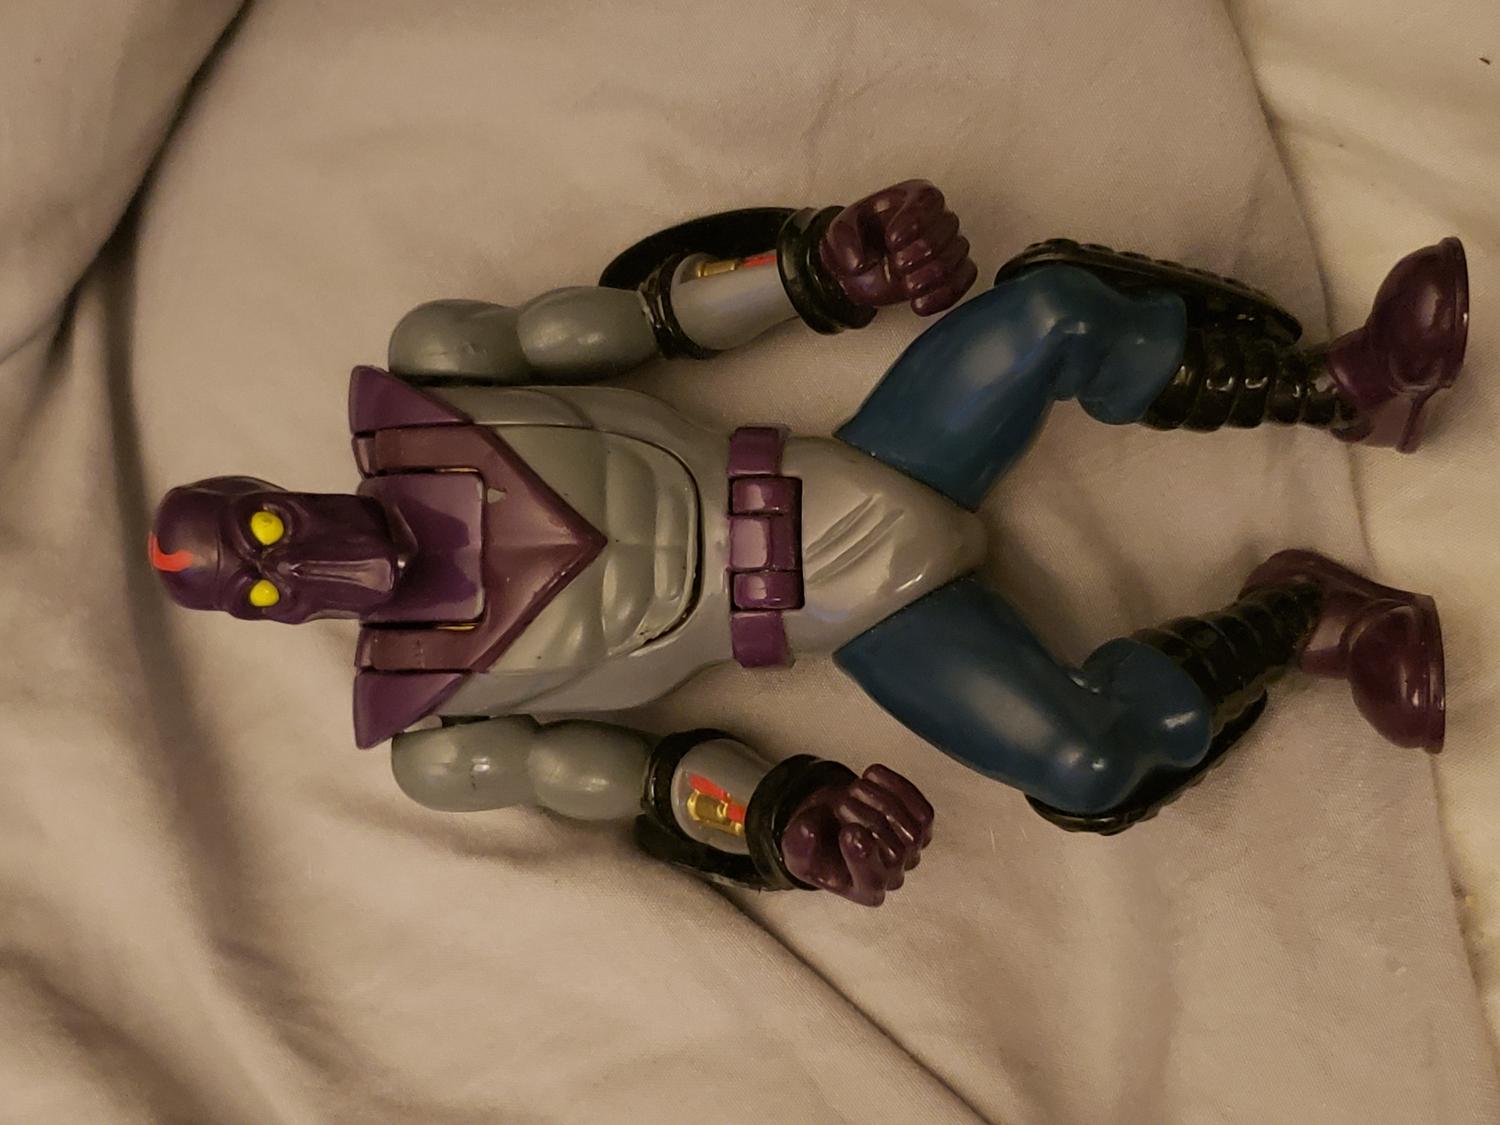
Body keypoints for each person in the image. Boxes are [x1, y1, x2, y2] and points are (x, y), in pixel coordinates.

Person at [150, 179, 1467, 903]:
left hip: (854, 459)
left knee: (1057, 313)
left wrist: (821, 270)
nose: (288, 560)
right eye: (259, 585)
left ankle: (1342, 385)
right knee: (1086, 758)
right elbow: (642, 783)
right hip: (850, 626)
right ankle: (1310, 621)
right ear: (272, 619)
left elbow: (640, 317)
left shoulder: (436, 375)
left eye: (258, 528)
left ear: (269, 487)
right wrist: (787, 824)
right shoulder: (436, 733)